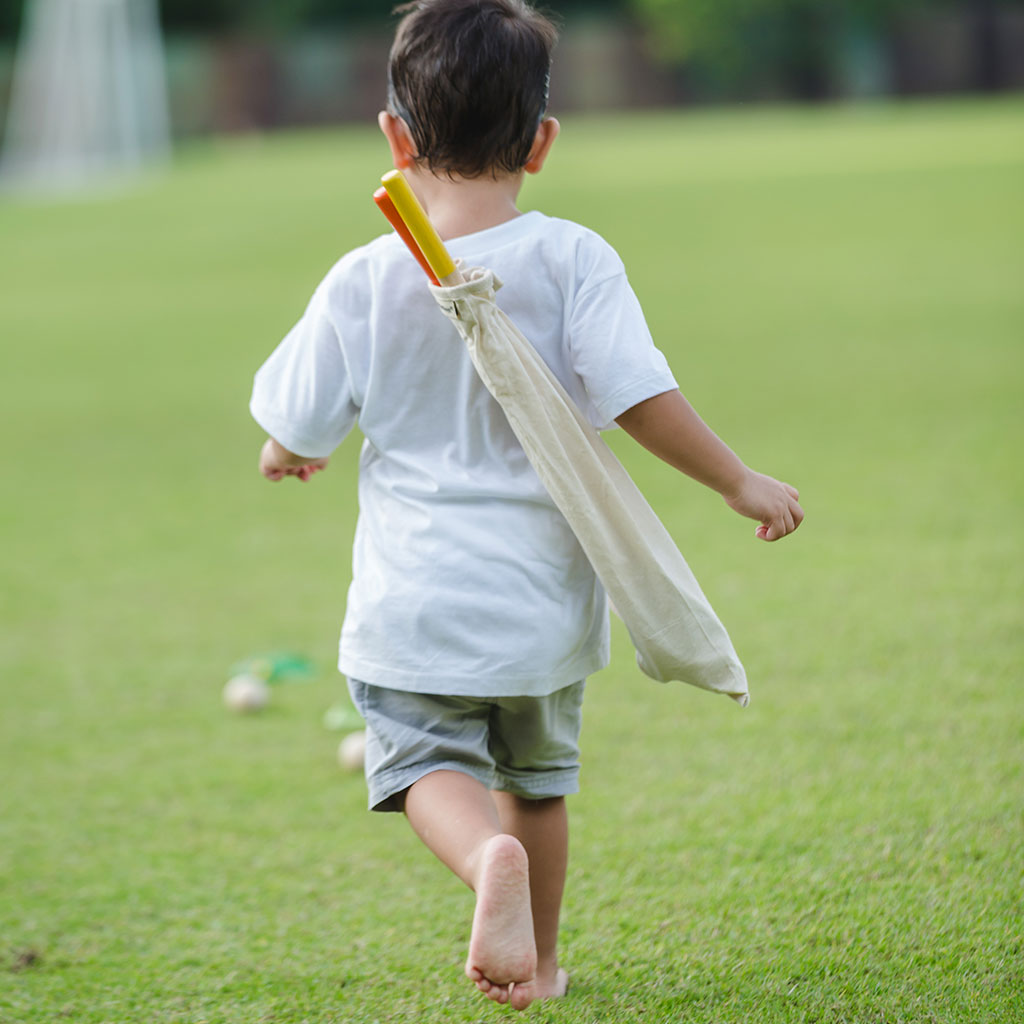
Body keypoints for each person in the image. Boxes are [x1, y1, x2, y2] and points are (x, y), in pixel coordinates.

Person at [250, 0, 803, 1010]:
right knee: (537, 783)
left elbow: (298, 420)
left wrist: (287, 449)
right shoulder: (574, 258)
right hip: (542, 604)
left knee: (423, 767)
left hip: (414, 603)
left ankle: (479, 866)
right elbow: (638, 398)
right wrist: (735, 479)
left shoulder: (363, 278)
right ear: (541, 142)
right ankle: (540, 961)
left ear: (394, 137)